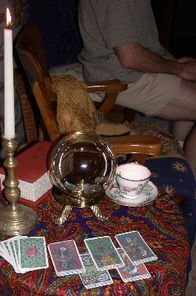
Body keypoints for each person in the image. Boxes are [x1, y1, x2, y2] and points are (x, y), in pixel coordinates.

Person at [78, 0, 196, 176]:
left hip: (121, 69)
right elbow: (130, 58)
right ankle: (191, 188)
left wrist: (172, 63)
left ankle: (179, 160)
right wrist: (178, 69)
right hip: (123, 77)